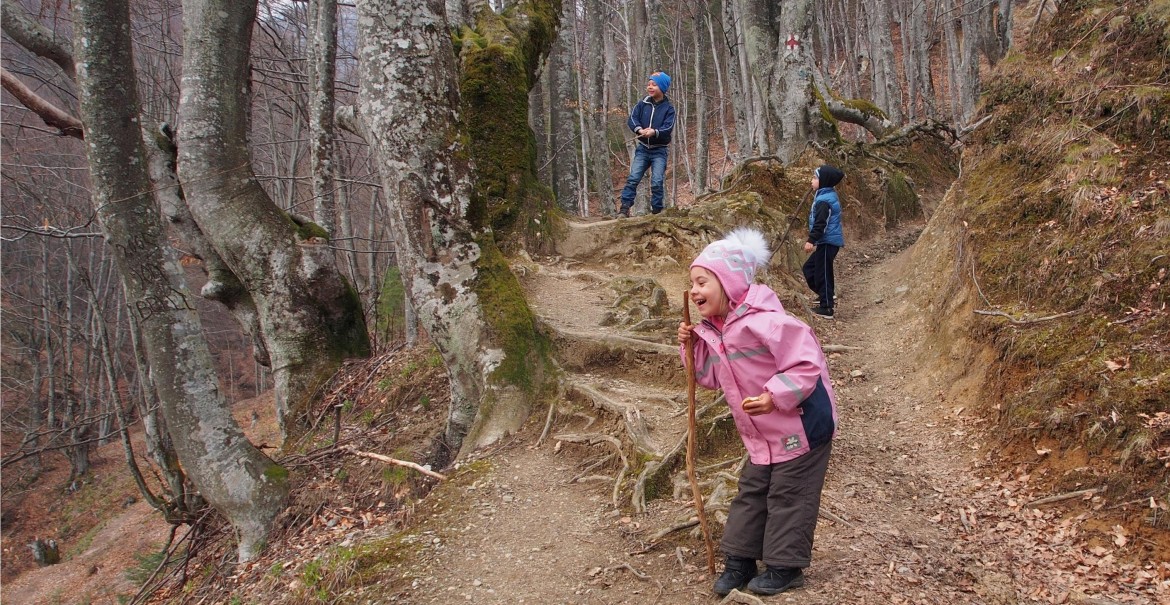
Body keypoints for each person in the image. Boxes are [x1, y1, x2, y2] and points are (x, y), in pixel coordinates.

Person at [677, 227, 839, 597]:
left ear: (729, 282)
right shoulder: (716, 331)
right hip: (763, 435)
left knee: (789, 494)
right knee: (751, 491)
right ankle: (740, 560)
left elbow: (806, 364)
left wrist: (772, 395)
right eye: (692, 283)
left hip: (802, 425)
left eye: (703, 281)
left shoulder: (767, 321)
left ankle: (785, 566)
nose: (695, 290)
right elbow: (707, 379)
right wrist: (691, 348)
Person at [617, 71, 675, 217]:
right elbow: (632, 119)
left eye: (654, 84)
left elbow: (668, 127)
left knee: (656, 181)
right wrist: (640, 130)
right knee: (633, 178)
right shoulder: (642, 104)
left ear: (662, 87)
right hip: (643, 149)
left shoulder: (669, 109)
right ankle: (624, 209)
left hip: (659, 151)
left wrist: (654, 132)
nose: (650, 87)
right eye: (649, 84)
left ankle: (656, 211)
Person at [802, 165, 845, 318]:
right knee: (809, 268)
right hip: (826, 242)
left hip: (828, 242)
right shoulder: (824, 196)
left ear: (824, 181)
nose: (811, 181)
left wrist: (811, 240)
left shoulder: (824, 201)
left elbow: (821, 223)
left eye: (815, 178)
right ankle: (825, 294)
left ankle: (827, 307)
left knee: (823, 273)